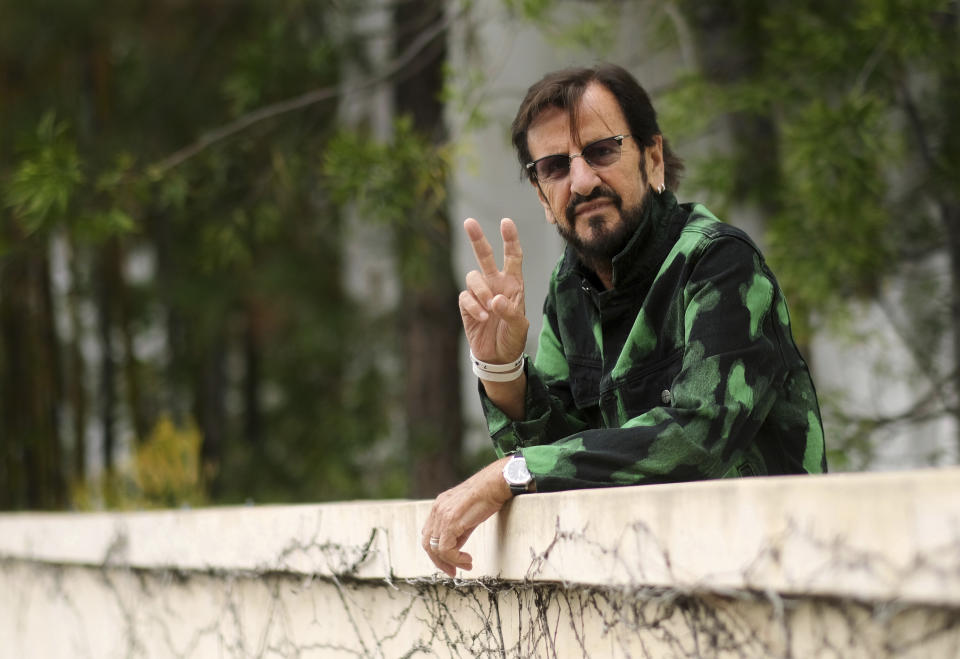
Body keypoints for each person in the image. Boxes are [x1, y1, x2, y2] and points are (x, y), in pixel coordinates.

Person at [421, 63, 826, 577]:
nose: (582, 181)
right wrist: (503, 373)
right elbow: (556, 463)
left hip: (773, 588)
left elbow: (697, 439)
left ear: (652, 159)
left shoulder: (720, 264)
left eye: (601, 151)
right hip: (644, 598)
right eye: (555, 168)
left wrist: (510, 473)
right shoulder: (569, 291)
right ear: (543, 198)